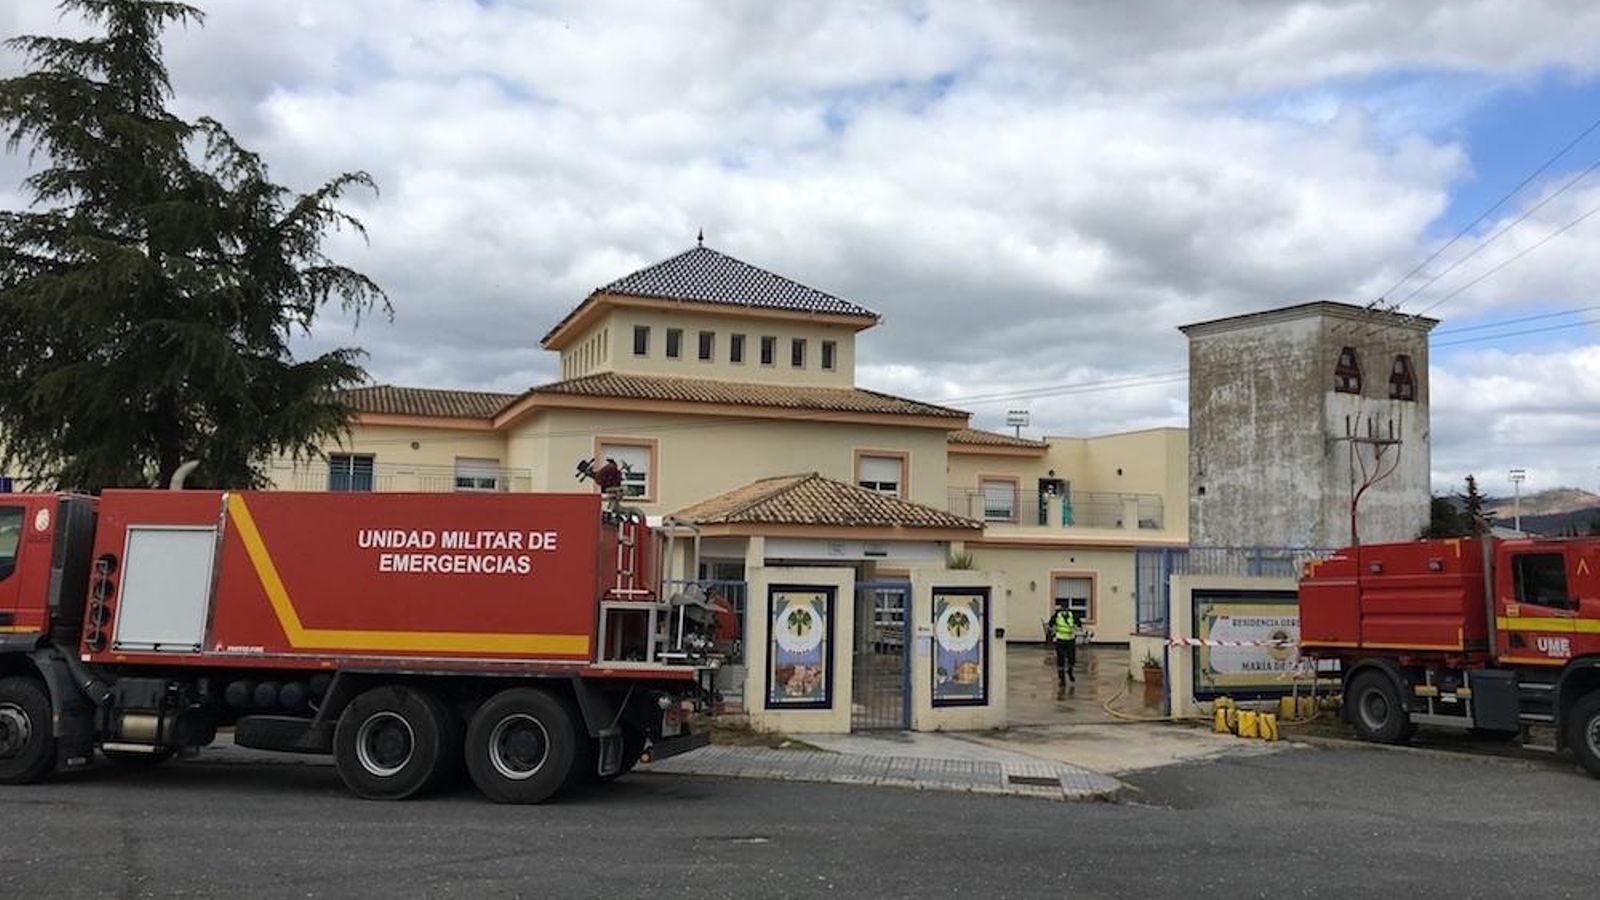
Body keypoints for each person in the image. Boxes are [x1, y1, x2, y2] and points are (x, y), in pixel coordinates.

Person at [1049, 604, 1077, 685]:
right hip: (1060, 640)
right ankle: (1062, 679)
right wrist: (1053, 631)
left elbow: (1078, 623)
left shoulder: (1072, 614)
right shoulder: (1057, 614)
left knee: (1071, 659)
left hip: (1070, 640)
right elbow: (1051, 623)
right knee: (1061, 660)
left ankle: (1070, 672)